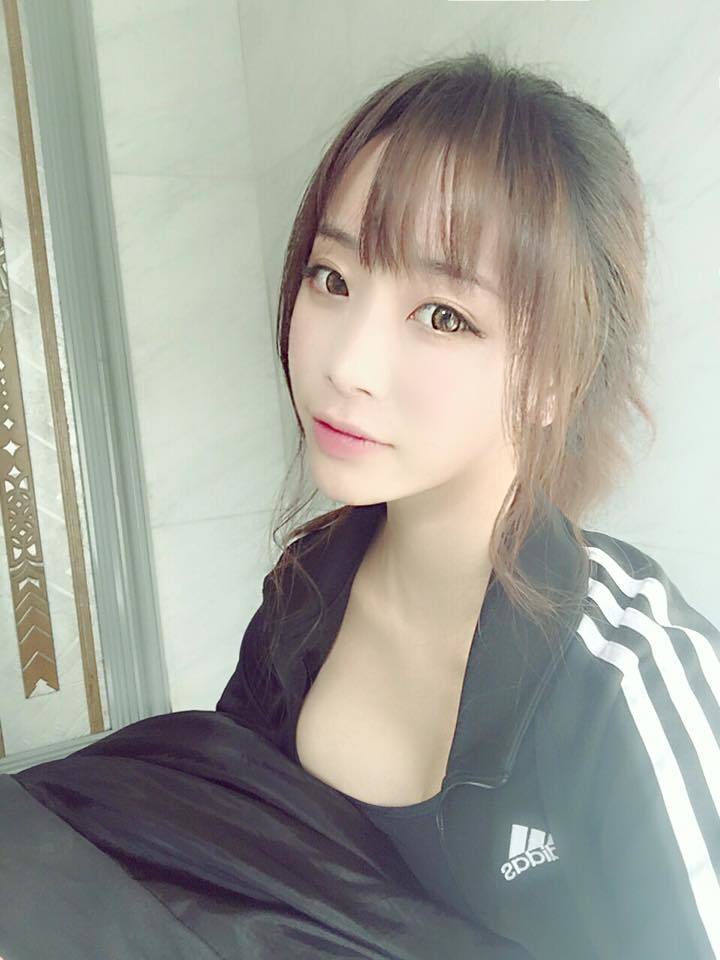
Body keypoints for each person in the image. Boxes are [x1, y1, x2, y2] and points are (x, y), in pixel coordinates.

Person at [217, 49, 720, 959]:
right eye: (332, 279)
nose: (346, 364)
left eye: (444, 315)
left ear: (556, 373)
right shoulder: (301, 595)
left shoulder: (626, 672)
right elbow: (214, 867)